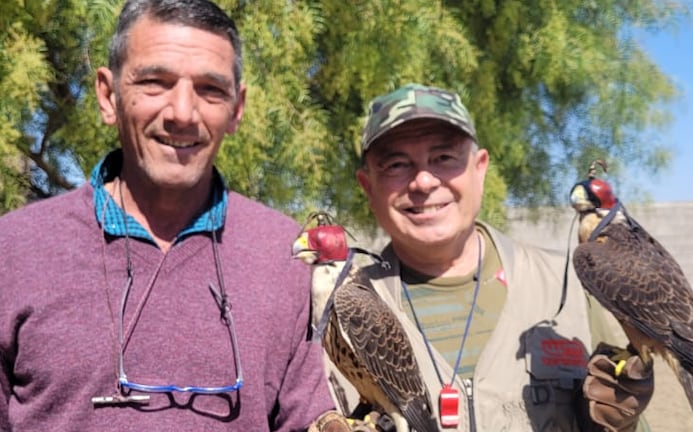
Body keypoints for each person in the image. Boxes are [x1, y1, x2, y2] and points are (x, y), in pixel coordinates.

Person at [0, 0, 341, 430]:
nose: (182, 113)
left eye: (210, 90)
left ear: (237, 108)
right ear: (108, 97)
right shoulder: (12, 249)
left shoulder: (287, 258)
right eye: (155, 83)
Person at [326, 83, 655, 431]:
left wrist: (618, 423)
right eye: (396, 164)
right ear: (368, 186)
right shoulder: (331, 313)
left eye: (443, 158)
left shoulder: (571, 286)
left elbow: (630, 415)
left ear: (479, 168)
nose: (423, 181)